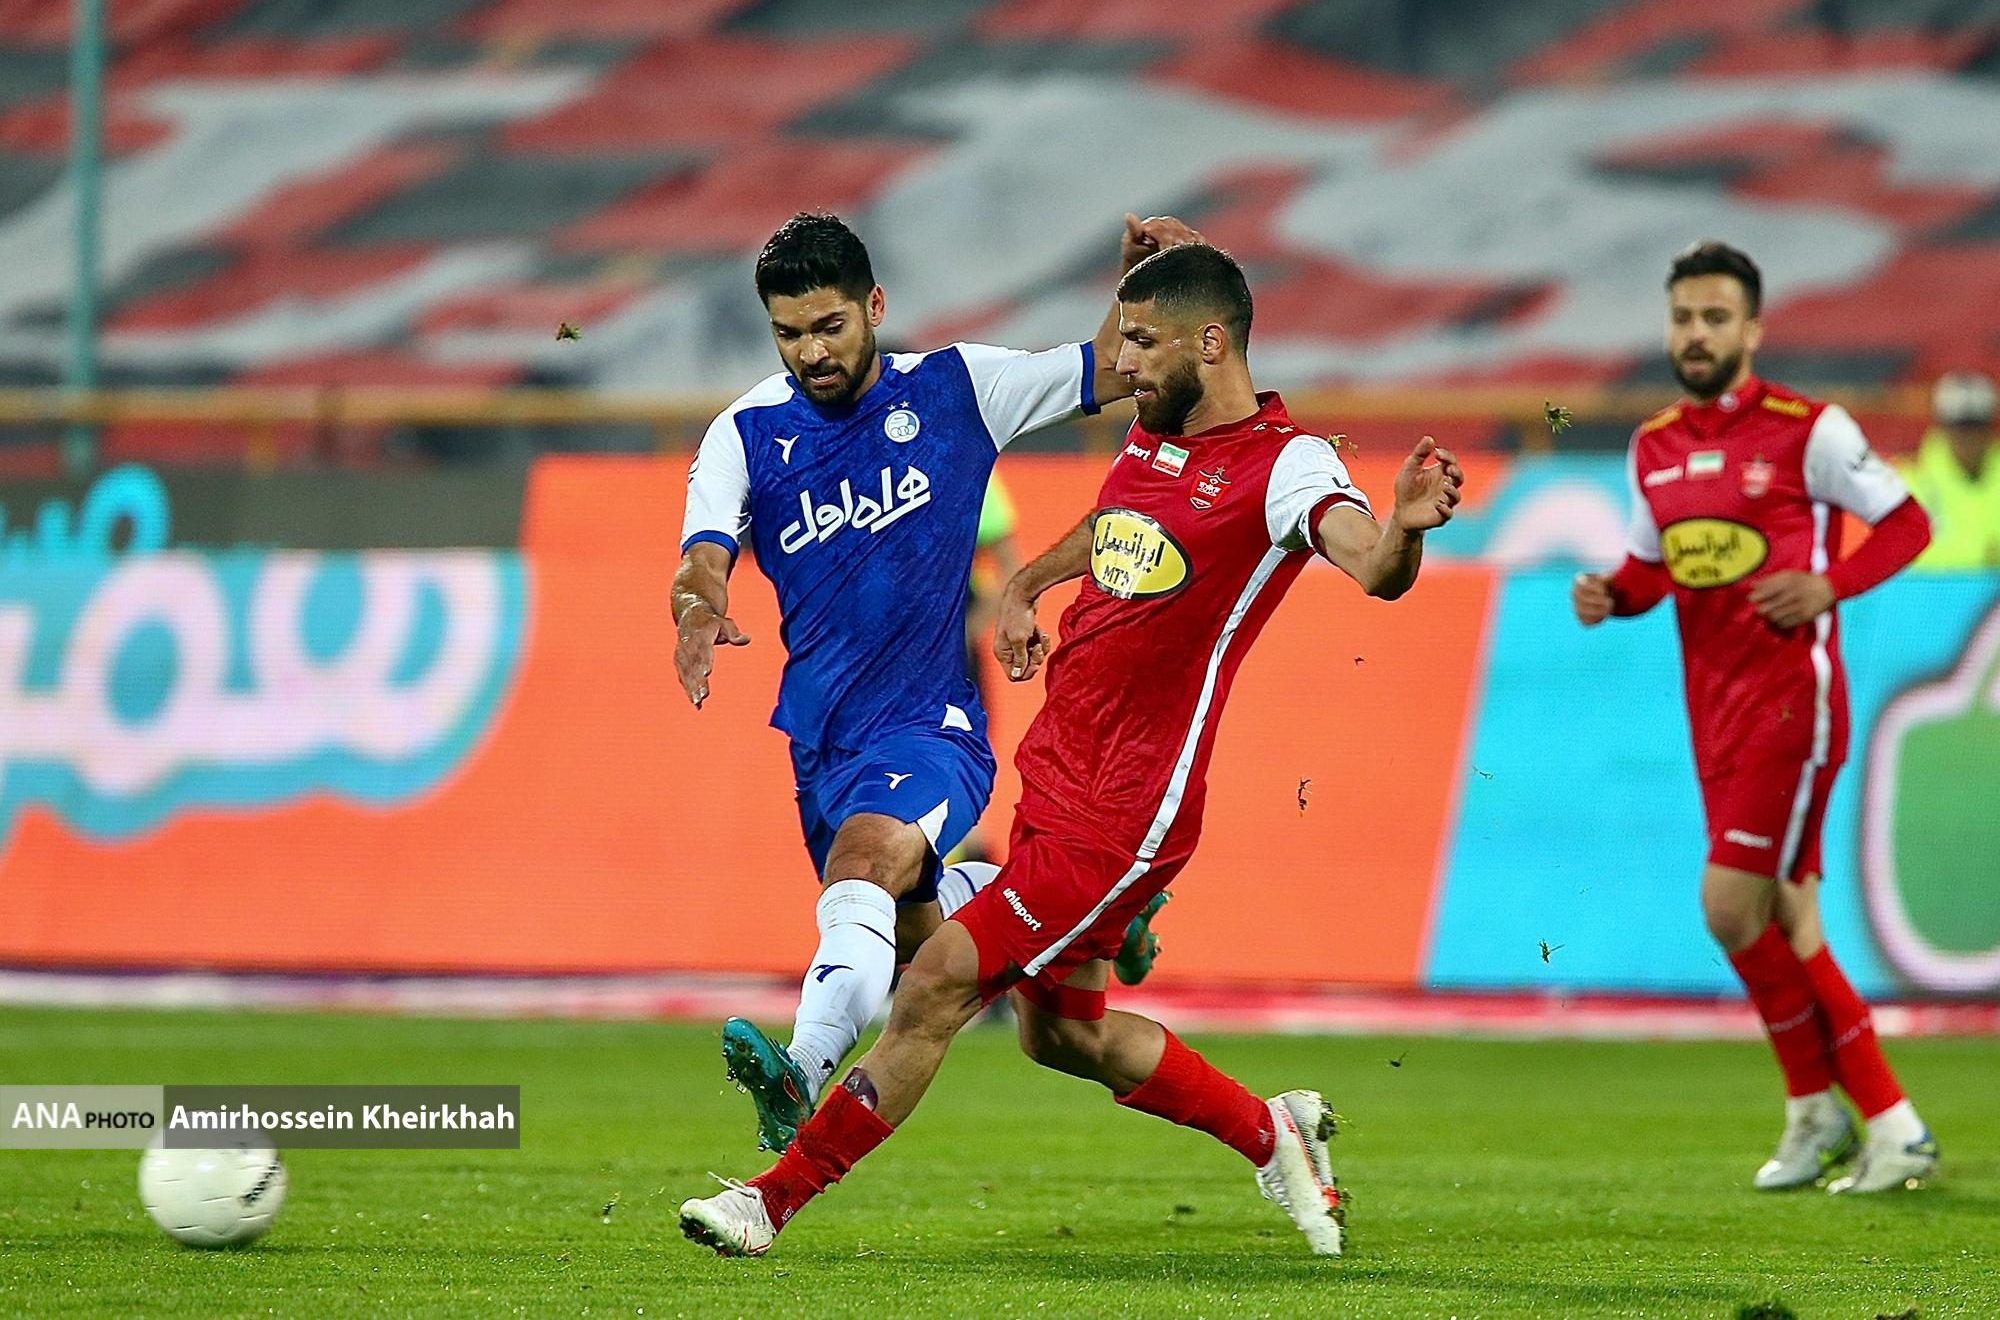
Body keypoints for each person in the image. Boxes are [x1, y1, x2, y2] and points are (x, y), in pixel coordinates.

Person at [679, 242, 1464, 1258]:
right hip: (1058, 774)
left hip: (1126, 807)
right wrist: (1023, 582)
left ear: (1209, 343)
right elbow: (1114, 527)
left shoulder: (1288, 466)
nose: (1121, 361)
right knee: (1064, 1034)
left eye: (1139, 342)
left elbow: (1371, 564)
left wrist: (1403, 529)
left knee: (934, 983)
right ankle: (1273, 1132)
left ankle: (767, 1200)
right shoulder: (1156, 432)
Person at [673, 210, 1199, 1154]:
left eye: (830, 325)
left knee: (865, 863)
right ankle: (1103, 912)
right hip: (822, 744)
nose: (812, 352)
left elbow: (1113, 367)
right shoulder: (744, 433)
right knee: (912, 921)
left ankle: (803, 1068)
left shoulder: (960, 389)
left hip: (931, 724)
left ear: (875, 306)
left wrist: (1136, 291)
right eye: (789, 333)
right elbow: (702, 555)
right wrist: (695, 607)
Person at [1572, 241, 1937, 1195]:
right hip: (1715, 715)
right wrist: (1614, 593)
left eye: (1716, 317)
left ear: (1753, 329)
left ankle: (1883, 1119)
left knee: (1731, 905)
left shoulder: (1809, 430)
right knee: (1786, 912)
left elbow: (1909, 522)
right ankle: (1826, 1112)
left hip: (1791, 705)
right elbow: (1656, 566)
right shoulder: (1653, 445)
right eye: (1684, 318)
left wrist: (1828, 584)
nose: (1697, 334)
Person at [1901, 370, 2000, 568]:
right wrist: (1983, 554)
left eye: (1977, 425)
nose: (1968, 437)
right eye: (1959, 426)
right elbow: (1902, 555)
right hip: (1934, 588)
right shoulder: (1910, 481)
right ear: (1943, 427)